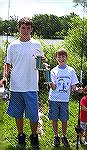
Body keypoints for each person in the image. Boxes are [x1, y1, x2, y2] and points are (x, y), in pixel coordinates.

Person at [3, 17, 44, 148]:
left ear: (31, 29)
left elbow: (40, 63)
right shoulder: (12, 45)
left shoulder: (37, 45)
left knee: (33, 115)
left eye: (28, 28)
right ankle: (21, 135)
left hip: (31, 85)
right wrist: (5, 77)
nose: (25, 30)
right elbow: (7, 64)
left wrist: (43, 62)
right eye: (23, 27)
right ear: (19, 28)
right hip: (16, 86)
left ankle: (34, 135)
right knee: (18, 113)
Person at [48, 48, 83, 147]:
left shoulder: (71, 70)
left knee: (64, 119)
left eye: (63, 56)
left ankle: (64, 136)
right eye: (59, 56)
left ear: (66, 58)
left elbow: (73, 86)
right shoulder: (53, 71)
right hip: (53, 99)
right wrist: (50, 83)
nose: (61, 58)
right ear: (56, 58)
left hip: (64, 100)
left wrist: (77, 89)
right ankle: (56, 136)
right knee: (54, 118)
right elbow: (54, 87)